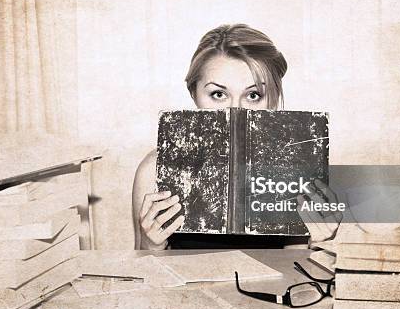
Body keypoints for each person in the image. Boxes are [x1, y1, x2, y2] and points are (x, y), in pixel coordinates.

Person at [132, 23, 339, 250]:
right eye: (218, 94)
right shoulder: (154, 170)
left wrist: (319, 242)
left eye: (253, 95)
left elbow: (300, 278)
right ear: (194, 95)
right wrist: (151, 244)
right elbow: (149, 276)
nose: (235, 110)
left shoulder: (297, 172)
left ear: (273, 99)